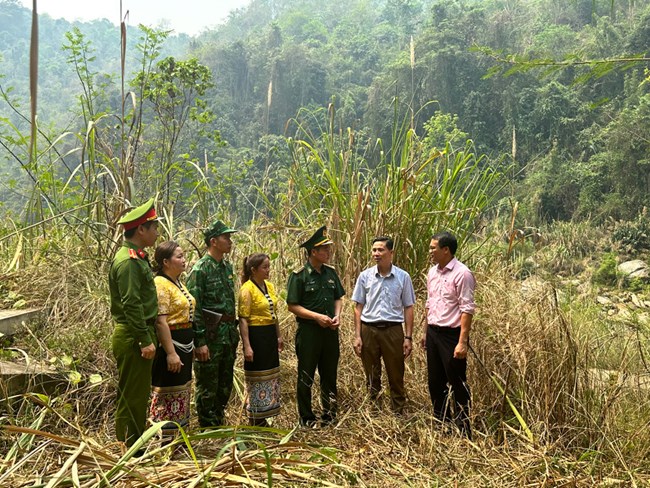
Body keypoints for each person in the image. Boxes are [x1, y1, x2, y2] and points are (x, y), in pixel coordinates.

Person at [108, 198, 159, 450]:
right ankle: (129, 449)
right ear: (141, 230)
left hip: (138, 332)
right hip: (133, 335)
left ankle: (131, 445)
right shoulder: (128, 261)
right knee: (133, 396)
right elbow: (131, 304)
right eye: (154, 227)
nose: (157, 232)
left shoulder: (137, 257)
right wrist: (144, 339)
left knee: (136, 393)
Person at [286, 226, 345, 427]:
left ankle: (329, 415)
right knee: (306, 375)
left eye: (328, 249)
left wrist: (336, 316)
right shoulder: (299, 275)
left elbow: (338, 297)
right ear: (313, 252)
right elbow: (292, 305)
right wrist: (316, 317)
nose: (328, 253)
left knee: (329, 374)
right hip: (309, 332)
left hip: (330, 332)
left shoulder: (330, 273)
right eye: (325, 249)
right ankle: (306, 417)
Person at [421, 231, 476, 439]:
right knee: (435, 382)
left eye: (433, 248)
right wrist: (426, 331)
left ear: (446, 250)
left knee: (457, 382)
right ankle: (443, 425)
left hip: (452, 336)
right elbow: (430, 303)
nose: (430, 252)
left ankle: (463, 430)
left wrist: (462, 342)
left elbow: (467, 309)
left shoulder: (463, 274)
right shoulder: (432, 273)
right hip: (434, 333)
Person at [351, 237, 415, 414]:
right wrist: (357, 336)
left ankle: (398, 413)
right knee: (371, 375)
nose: (376, 254)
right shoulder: (365, 277)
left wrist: (408, 337)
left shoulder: (403, 277)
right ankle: (374, 412)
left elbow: (408, 307)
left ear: (391, 253)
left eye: (380, 250)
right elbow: (358, 307)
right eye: (374, 250)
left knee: (396, 374)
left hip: (393, 330)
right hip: (369, 329)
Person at [187, 220, 238, 428]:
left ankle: (219, 420)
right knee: (208, 383)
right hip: (210, 334)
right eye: (226, 238)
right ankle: (208, 427)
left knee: (225, 382)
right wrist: (200, 341)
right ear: (213, 241)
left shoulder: (227, 267)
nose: (230, 241)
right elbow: (194, 309)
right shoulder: (200, 270)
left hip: (227, 332)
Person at [149, 241, 196, 441]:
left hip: (185, 342)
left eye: (184, 255)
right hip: (172, 343)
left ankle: (178, 438)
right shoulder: (160, 283)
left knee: (181, 388)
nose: (184, 260)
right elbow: (161, 321)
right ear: (166, 262)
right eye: (179, 256)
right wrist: (171, 353)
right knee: (166, 390)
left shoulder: (178, 282)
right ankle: (163, 439)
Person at [238, 253, 284, 426]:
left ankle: (265, 414)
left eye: (268, 267)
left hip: (269, 334)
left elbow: (274, 315)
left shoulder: (269, 286)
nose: (268, 270)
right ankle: (255, 416)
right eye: (264, 267)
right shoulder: (247, 289)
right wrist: (247, 346)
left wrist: (278, 335)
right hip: (256, 335)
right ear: (253, 270)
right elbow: (243, 319)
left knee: (269, 374)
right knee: (256, 375)